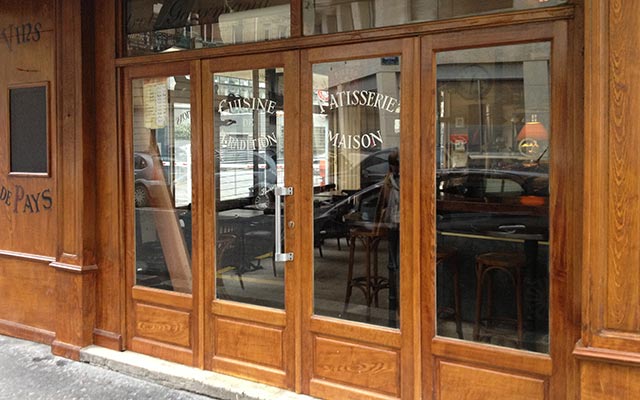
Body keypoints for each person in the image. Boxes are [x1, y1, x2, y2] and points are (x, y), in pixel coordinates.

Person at [376, 150, 400, 327]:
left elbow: (381, 205)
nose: (396, 168)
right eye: (394, 164)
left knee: (395, 264)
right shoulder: (390, 182)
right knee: (394, 264)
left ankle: (396, 308)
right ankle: (394, 307)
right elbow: (382, 204)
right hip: (394, 225)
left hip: (397, 225)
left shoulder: (389, 182)